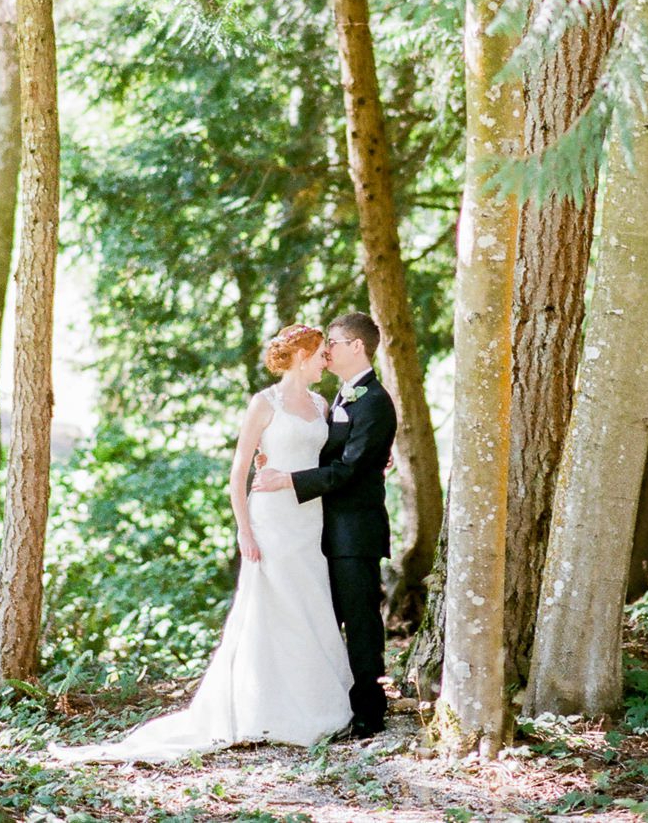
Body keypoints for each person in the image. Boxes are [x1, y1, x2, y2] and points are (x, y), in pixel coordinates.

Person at [54, 324, 352, 762]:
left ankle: (315, 706)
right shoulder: (263, 403)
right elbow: (238, 473)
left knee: (308, 602)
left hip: (309, 518)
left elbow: (325, 461)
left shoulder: (320, 403)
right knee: (271, 607)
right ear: (302, 356)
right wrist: (243, 530)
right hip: (270, 518)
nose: (326, 360)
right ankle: (263, 709)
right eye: (320, 353)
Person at [254, 310, 399, 739]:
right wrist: (277, 460)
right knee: (320, 620)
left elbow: (351, 470)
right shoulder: (337, 398)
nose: (326, 352)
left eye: (332, 344)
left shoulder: (374, 400)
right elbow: (330, 454)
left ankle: (371, 712)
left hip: (355, 532)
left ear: (357, 347)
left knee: (360, 621)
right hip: (317, 528)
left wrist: (288, 479)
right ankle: (327, 703)